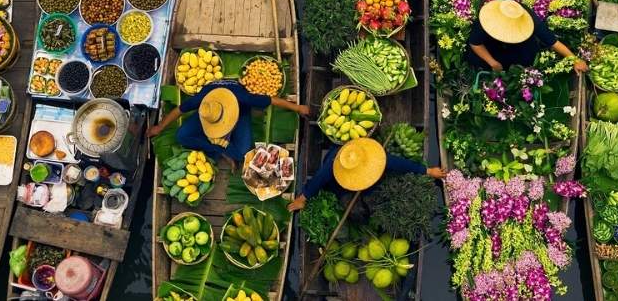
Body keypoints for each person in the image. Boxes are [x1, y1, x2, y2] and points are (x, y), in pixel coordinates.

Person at [146, 80, 310, 167]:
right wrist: (159, 127)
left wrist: (297, 108)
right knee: (182, 136)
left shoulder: (243, 98)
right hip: (210, 113)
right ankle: (221, 149)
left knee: (241, 154)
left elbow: (272, 100)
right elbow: (179, 110)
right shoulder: (204, 102)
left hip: (239, 110)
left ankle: (222, 147)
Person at [287, 137, 446, 212]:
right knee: (343, 197)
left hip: (357, 168)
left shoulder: (373, 158)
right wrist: (302, 199)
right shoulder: (332, 167)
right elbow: (317, 181)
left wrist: (428, 171)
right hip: (338, 184)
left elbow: (400, 164)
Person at [466, 0, 589, 73]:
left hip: (519, 46)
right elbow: (475, 43)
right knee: (477, 59)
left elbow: (552, 42)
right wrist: (493, 63)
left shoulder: (529, 20)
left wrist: (575, 60)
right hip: (491, 45)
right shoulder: (487, 18)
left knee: (527, 57)